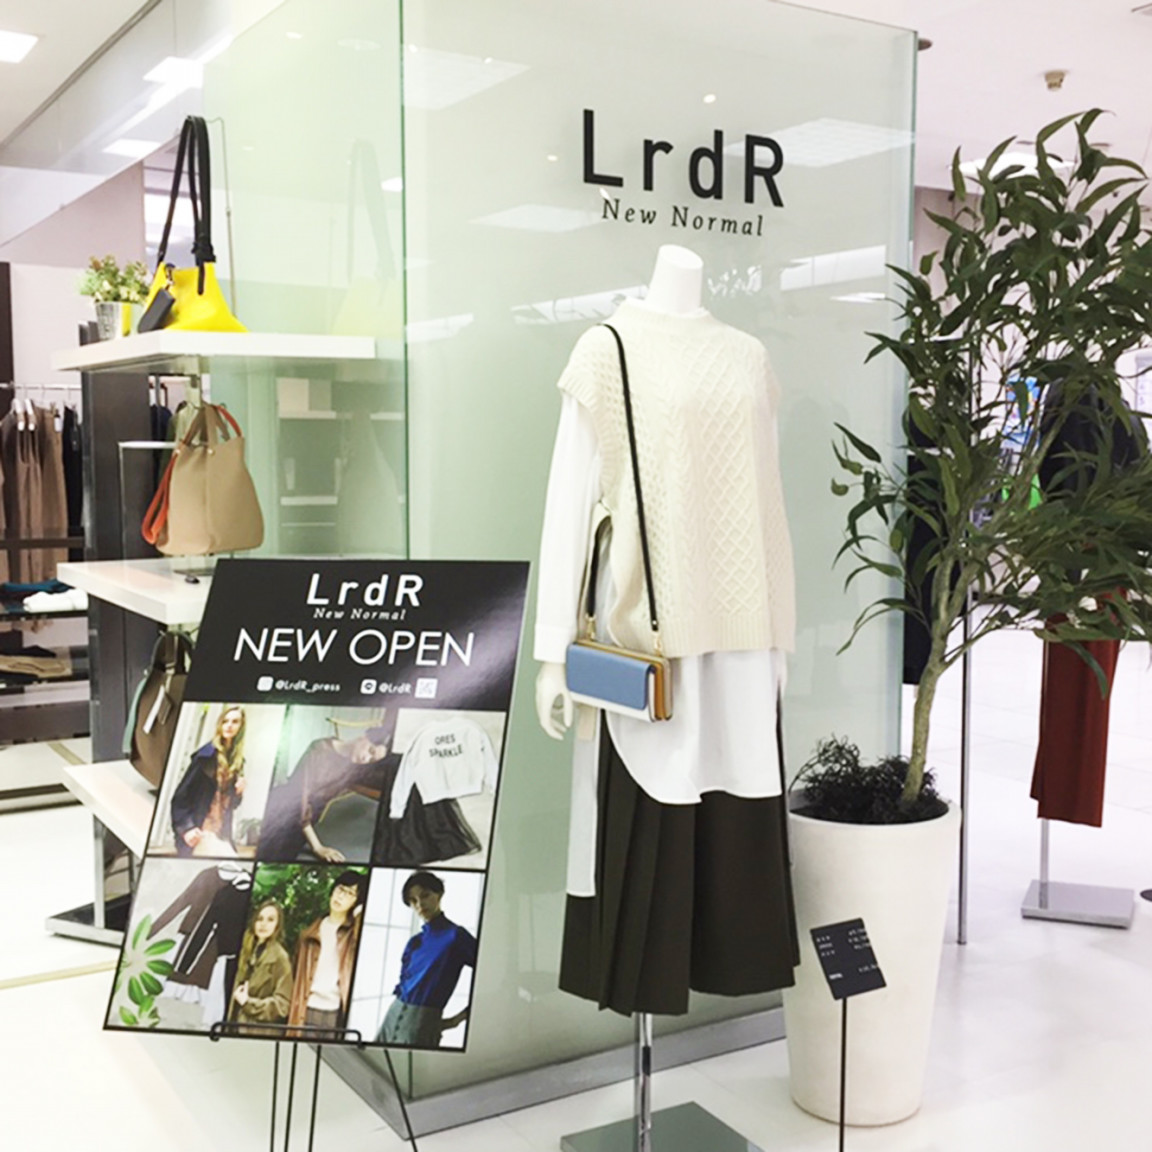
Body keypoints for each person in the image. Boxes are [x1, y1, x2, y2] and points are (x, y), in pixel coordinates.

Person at [258, 728, 390, 863]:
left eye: (371, 760)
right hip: (287, 808)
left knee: (286, 856)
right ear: (363, 737)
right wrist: (317, 847)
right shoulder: (319, 749)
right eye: (370, 751)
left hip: (309, 819)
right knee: (270, 854)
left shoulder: (353, 767)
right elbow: (299, 799)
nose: (365, 759)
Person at [378, 870, 477, 1048]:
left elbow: (490, 972)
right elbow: (404, 985)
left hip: (422, 1024)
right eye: (413, 900)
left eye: (425, 895)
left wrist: (456, 1019)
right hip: (391, 1016)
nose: (420, 904)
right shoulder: (414, 942)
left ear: (439, 894)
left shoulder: (456, 936)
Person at [287, 869, 365, 1038]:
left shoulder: (352, 934)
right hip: (307, 1008)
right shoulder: (308, 934)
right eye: (340, 889)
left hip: (336, 1011)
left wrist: (359, 913)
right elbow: (295, 976)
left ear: (356, 901)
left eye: (350, 893)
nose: (341, 896)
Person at [170, 705, 247, 857]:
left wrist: (239, 792)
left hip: (221, 834)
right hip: (199, 831)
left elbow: (231, 805)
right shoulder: (206, 756)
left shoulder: (237, 762)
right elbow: (180, 796)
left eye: (235, 722)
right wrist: (187, 828)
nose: (229, 725)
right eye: (225, 721)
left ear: (241, 727)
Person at [229, 900, 293, 1036]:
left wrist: (248, 1003)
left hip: (259, 1032)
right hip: (233, 1026)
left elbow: (282, 1005)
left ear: (277, 925)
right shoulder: (243, 949)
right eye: (260, 918)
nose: (263, 924)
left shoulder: (280, 958)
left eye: (270, 920)